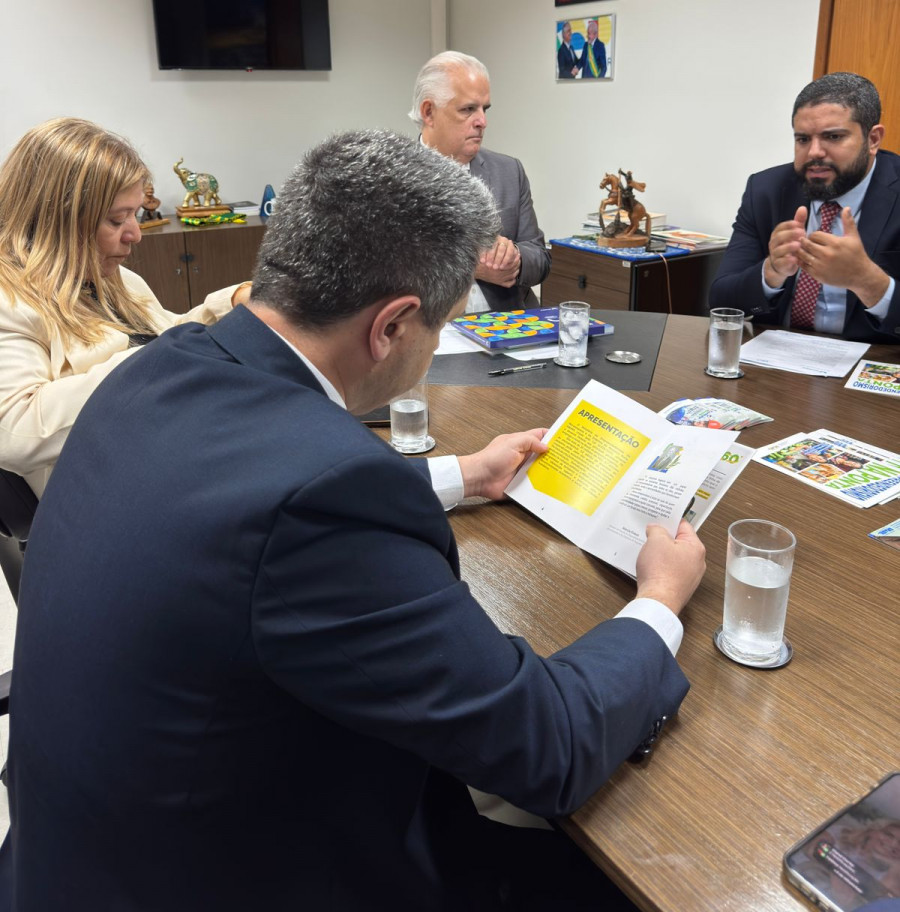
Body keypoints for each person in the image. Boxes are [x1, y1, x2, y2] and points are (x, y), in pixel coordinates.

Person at [0, 130, 707, 912]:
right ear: (392, 327)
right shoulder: (323, 499)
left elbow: (247, 495)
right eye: (439, 330)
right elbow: (547, 744)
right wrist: (658, 603)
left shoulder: (156, 369)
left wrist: (461, 474)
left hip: (75, 858)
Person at [0, 118, 251, 497]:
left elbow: (170, 335)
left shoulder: (113, 279)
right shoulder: (10, 299)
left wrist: (230, 305)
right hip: (112, 499)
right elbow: (15, 432)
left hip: (179, 458)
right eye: (116, 219)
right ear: (56, 220)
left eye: (134, 214)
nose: (134, 234)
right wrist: (150, 363)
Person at [708, 73, 900, 343]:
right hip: (778, 364)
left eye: (833, 137)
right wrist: (771, 272)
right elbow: (721, 301)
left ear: (873, 139)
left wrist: (867, 281)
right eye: (803, 139)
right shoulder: (766, 190)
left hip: (871, 366)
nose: (814, 153)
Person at [409, 50, 551, 311]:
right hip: (430, 334)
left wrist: (515, 260)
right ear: (429, 113)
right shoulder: (392, 179)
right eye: (468, 109)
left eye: (484, 109)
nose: (482, 122)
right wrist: (472, 265)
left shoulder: (509, 171)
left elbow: (541, 258)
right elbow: (384, 269)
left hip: (507, 329)